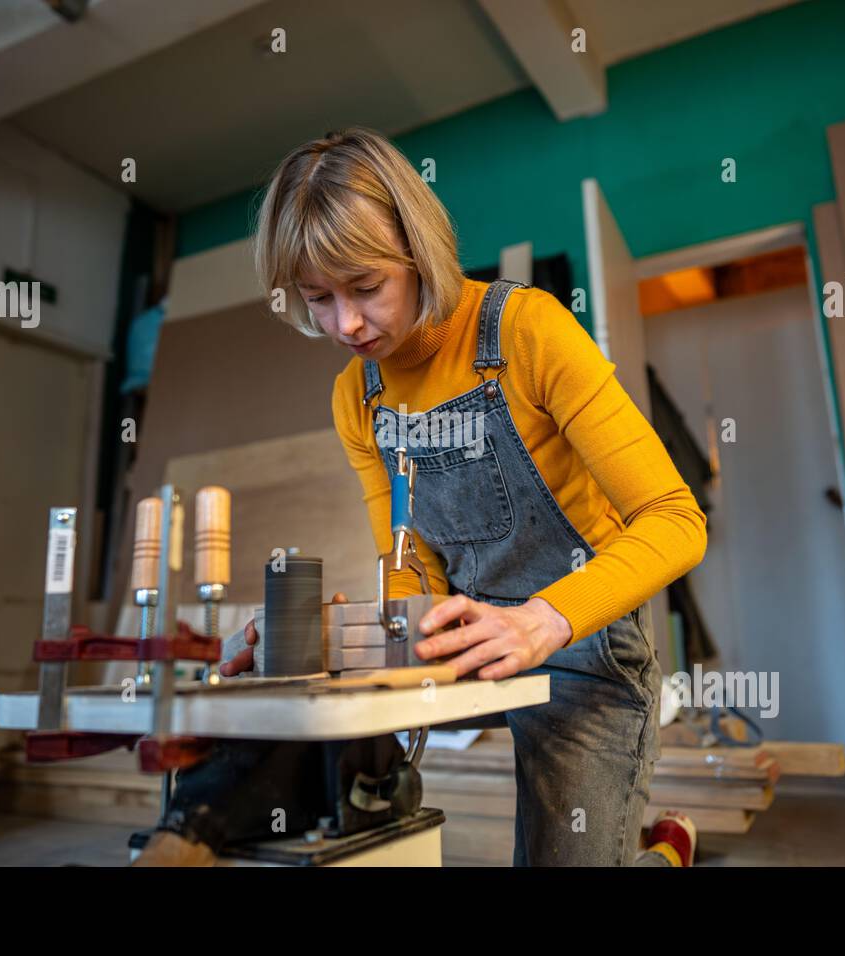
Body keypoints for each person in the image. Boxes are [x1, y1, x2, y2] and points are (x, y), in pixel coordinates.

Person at [139, 127, 707, 867]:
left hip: (582, 652)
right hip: (459, 644)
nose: (344, 323)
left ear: (419, 252)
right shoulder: (357, 398)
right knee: (301, 735)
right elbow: (409, 570)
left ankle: (666, 853)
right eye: (318, 298)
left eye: (367, 288)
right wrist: (313, 642)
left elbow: (676, 520)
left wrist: (542, 622)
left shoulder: (528, 331)